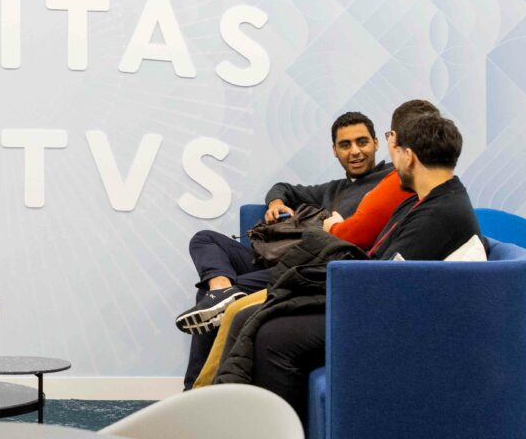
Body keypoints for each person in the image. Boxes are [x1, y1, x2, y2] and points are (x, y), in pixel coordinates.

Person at [213, 114, 485, 423]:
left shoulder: (439, 212)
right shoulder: (433, 199)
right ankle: (238, 423)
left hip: (390, 320)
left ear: (409, 156)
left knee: (272, 336)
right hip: (379, 303)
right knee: (253, 316)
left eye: (395, 149)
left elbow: (382, 280)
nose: (392, 159)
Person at [189, 100, 440, 389]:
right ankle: (221, 290)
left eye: (361, 142)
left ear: (376, 143)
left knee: (214, 300)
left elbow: (363, 236)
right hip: (280, 255)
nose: (355, 151)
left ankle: (194, 390)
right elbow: (282, 186)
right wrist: (276, 203)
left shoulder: (391, 182)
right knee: (205, 240)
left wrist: (335, 227)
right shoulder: (332, 189)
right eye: (345, 145)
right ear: (335, 151)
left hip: (309, 267)